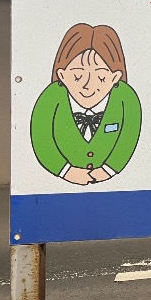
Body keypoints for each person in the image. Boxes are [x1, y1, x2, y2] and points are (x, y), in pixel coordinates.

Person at [30, 24, 141, 185]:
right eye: (77, 76)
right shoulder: (51, 97)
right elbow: (41, 138)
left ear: (115, 77)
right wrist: (66, 171)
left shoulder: (126, 97)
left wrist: (108, 170)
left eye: (101, 77)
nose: (88, 85)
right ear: (62, 75)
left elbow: (128, 136)